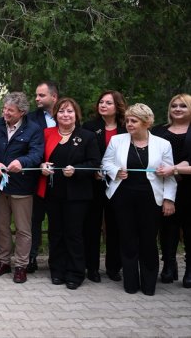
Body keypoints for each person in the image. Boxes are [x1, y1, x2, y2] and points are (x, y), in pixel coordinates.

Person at [103, 103, 176, 295]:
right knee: (127, 239)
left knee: (148, 241)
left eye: (134, 121)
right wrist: (116, 171)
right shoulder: (117, 141)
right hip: (123, 196)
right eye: (127, 120)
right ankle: (131, 283)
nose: (129, 124)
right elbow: (106, 162)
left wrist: (169, 199)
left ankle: (149, 283)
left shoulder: (163, 144)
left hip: (151, 198)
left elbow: (169, 174)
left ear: (146, 123)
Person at [39, 98, 100, 289]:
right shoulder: (47, 134)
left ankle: (75, 272)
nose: (65, 115)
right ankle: (57, 270)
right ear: (55, 114)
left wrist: (77, 169)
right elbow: (38, 157)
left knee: (74, 234)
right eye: (62, 111)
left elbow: (95, 163)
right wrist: (42, 165)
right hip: (53, 192)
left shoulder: (87, 136)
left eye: (70, 112)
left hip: (77, 194)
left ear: (76, 115)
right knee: (56, 233)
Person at [0, 91, 44, 284]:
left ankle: (21, 265)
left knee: (23, 229)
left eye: (10, 110)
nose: (5, 113)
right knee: (1, 226)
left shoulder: (33, 129)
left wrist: (22, 161)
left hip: (22, 186)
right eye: (4, 109)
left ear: (22, 112)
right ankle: (3, 261)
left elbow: (37, 154)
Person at [82, 90, 126, 283]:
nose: (103, 105)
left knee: (116, 226)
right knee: (91, 226)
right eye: (101, 102)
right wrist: (93, 170)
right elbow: (84, 153)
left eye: (108, 103)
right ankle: (91, 267)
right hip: (94, 183)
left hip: (119, 184)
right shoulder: (90, 127)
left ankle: (114, 267)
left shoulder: (126, 127)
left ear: (118, 106)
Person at [151, 94, 191, 287]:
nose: (177, 109)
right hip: (165, 186)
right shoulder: (159, 131)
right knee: (168, 228)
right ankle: (168, 264)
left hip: (189, 187)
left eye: (183, 106)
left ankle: (190, 269)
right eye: (174, 105)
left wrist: (175, 168)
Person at [25, 81, 59, 273]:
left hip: (62, 179)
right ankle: (31, 258)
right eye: (36, 95)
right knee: (34, 221)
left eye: (41, 95)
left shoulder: (69, 115)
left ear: (53, 97)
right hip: (36, 179)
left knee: (57, 222)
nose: (37, 98)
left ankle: (56, 260)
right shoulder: (31, 119)